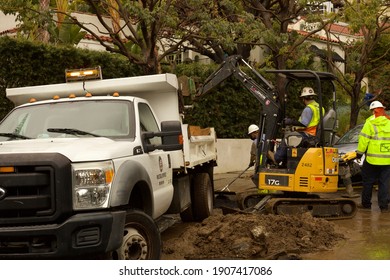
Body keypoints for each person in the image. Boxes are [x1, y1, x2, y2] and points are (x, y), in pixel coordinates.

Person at [269, 87, 324, 165]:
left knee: (287, 137)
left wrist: (290, 121)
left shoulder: (308, 109)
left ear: (304, 99)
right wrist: (294, 128)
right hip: (315, 134)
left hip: (308, 134)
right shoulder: (320, 108)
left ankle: (277, 158)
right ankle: (285, 161)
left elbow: (304, 124)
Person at [356, 100, 390, 212]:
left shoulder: (370, 123)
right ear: (382, 109)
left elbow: (363, 140)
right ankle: (384, 207)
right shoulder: (389, 122)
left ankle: (366, 204)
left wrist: (359, 153)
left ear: (373, 111)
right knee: (384, 183)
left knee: (368, 182)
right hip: (387, 160)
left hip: (372, 160)